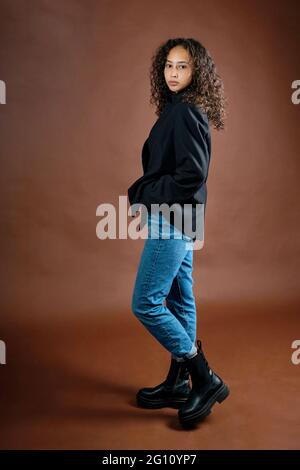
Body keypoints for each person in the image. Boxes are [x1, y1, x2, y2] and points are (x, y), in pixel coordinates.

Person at [127, 37, 229, 428]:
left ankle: (203, 376)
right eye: (169, 65)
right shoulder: (179, 110)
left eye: (183, 66)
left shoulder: (185, 113)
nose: (173, 72)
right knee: (181, 298)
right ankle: (178, 382)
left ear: (196, 71)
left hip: (171, 219)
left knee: (147, 303)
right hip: (182, 219)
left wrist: (144, 195)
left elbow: (192, 174)